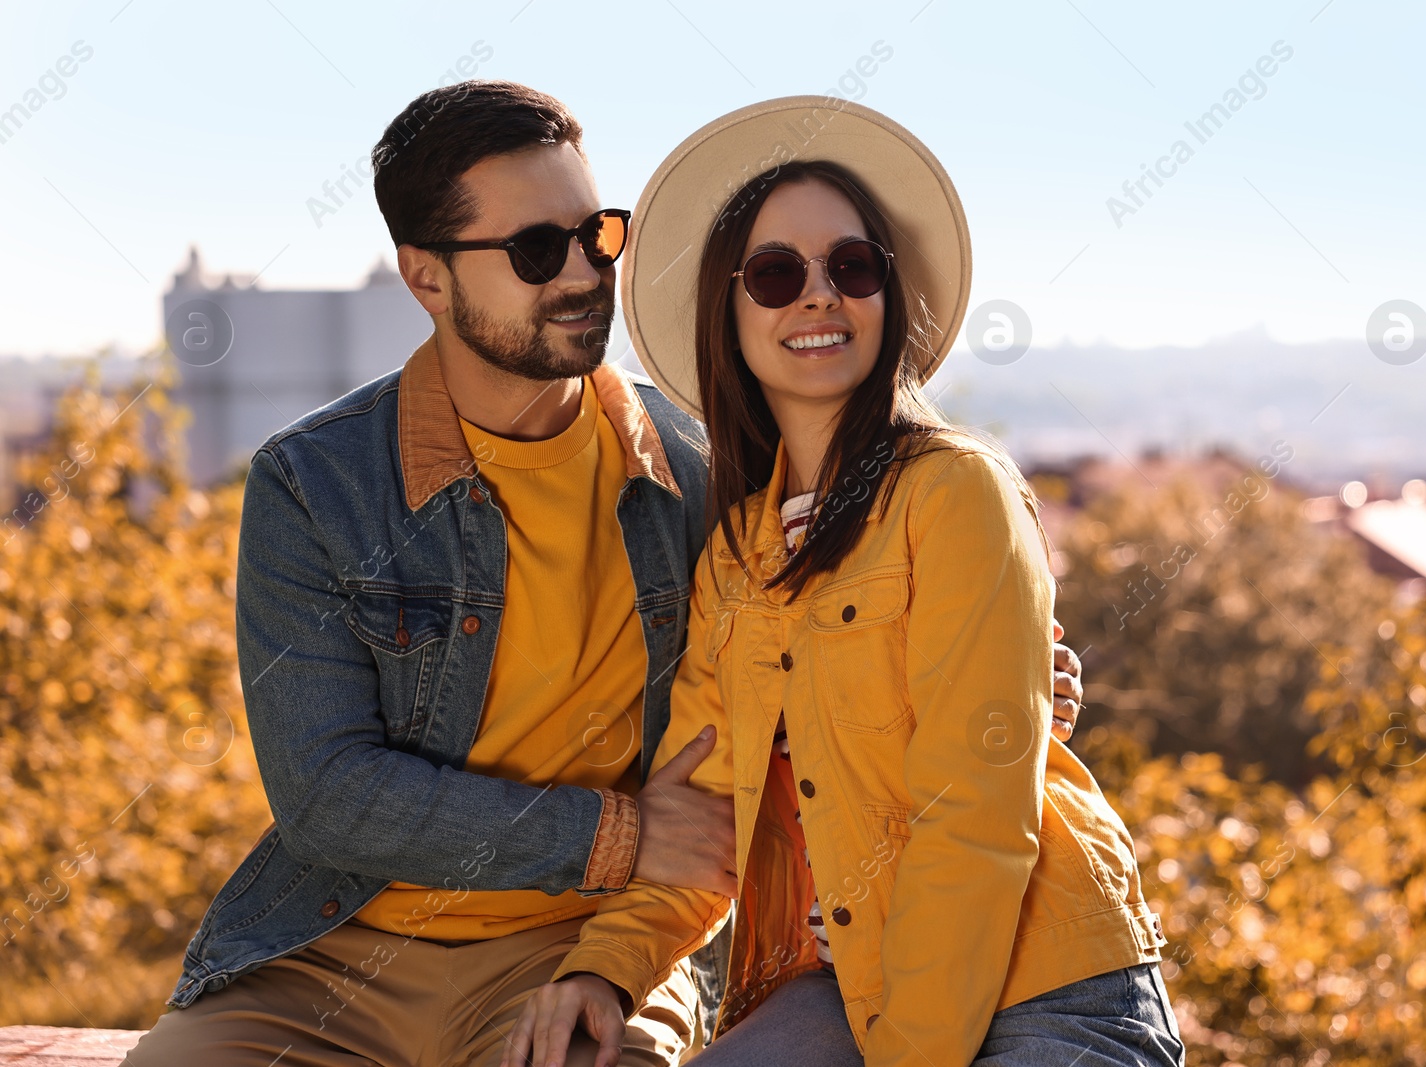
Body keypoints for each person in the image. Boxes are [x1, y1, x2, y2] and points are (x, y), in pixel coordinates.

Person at [121, 82, 1086, 1067]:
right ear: (427, 277)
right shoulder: (317, 482)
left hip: (580, 944)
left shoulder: (701, 476)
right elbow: (327, 794)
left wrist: (998, 689)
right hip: (327, 953)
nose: (586, 272)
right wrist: (620, 835)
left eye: (599, 234)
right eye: (539, 250)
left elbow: (829, 653)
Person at [509, 98, 1186, 1067]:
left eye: (852, 268)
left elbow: (973, 817)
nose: (818, 296)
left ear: (887, 295)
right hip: (846, 991)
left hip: (1045, 989)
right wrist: (602, 971)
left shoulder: (956, 490)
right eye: (778, 273)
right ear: (729, 308)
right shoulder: (738, 550)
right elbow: (701, 814)